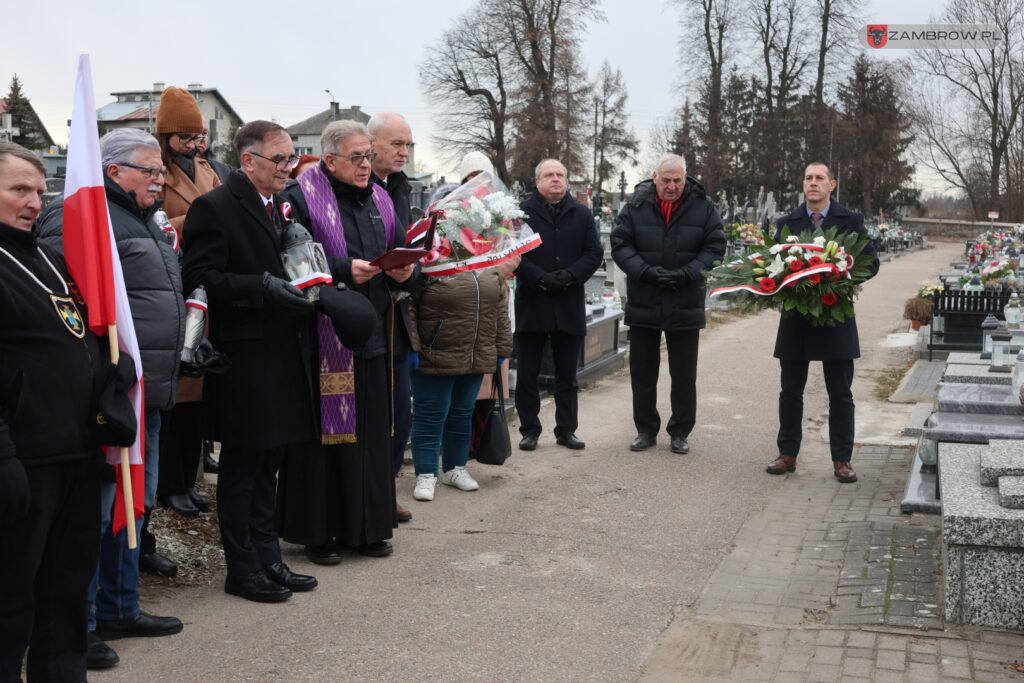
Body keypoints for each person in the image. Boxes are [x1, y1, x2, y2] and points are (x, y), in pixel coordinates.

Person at [38, 129, 186, 664]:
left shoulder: (148, 221)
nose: (160, 179)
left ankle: (122, 606)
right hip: (108, 393)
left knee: (134, 505)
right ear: (114, 170)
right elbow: (68, 303)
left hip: (150, 390)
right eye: (150, 170)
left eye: (161, 171)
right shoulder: (78, 215)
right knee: (96, 513)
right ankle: (83, 622)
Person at [0, 141, 136, 679]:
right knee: (10, 600)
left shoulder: (49, 258)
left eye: (39, 190)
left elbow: (77, 337)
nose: (34, 202)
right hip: (21, 462)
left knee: (64, 596)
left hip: (76, 454)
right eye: (17, 189)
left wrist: (112, 371)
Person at [182, 120, 319, 603]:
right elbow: (200, 278)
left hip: (282, 351)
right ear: (248, 161)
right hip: (244, 358)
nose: (289, 168)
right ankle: (241, 568)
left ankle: (268, 558)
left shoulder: (278, 205)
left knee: (271, 463)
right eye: (280, 160)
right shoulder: (214, 207)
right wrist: (259, 286)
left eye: (292, 160)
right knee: (243, 467)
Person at [277, 119, 412, 565]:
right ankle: (320, 533)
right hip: (322, 338)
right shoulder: (300, 197)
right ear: (329, 159)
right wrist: (341, 269)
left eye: (368, 156)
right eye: (356, 158)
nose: (365, 166)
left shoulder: (380, 199)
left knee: (370, 435)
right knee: (324, 442)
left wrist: (405, 269)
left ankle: (367, 528)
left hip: (371, 333)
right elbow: (291, 263)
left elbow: (395, 247)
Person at [766, 162, 879, 483]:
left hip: (836, 314)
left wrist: (842, 279)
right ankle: (787, 454)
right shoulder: (788, 223)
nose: (813, 183)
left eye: (819, 179)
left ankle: (842, 460)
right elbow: (773, 264)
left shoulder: (851, 221)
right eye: (808, 178)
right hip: (796, 318)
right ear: (803, 185)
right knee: (790, 391)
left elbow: (871, 262)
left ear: (832, 185)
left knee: (840, 393)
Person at [611, 153, 726, 455]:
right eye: (666, 180)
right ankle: (646, 430)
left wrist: (687, 274)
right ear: (655, 177)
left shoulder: (703, 206)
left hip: (684, 299)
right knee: (643, 373)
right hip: (645, 299)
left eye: (677, 180)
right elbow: (621, 244)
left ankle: (680, 431)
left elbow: (715, 245)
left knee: (684, 374)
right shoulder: (636, 205)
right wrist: (645, 273)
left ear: (685, 178)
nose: (672, 186)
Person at [154, 86, 221, 519]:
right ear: (167, 136)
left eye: (197, 136)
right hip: (176, 287)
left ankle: (190, 479)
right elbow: (155, 224)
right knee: (178, 399)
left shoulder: (206, 168)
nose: (194, 144)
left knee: (200, 397)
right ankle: (169, 485)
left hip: (207, 286)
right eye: (185, 137)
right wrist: (197, 218)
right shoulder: (157, 172)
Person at [514, 159, 603, 451]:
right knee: (528, 372)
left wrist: (568, 277)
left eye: (560, 175)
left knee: (567, 373)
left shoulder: (581, 214)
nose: (556, 180)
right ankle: (529, 429)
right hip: (532, 301)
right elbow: (512, 251)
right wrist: (539, 278)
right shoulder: (521, 214)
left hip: (568, 302)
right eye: (549, 175)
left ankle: (566, 429)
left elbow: (593, 253)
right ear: (537, 181)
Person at [408, 264, 513, 502]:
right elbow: (409, 305)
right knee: (430, 414)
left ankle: (454, 468)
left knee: (462, 413)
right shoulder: (432, 259)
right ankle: (426, 472)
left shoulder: (487, 263)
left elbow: (499, 310)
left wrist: (502, 346)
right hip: (435, 352)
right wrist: (412, 345)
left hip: (475, 353)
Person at [369, 111, 416, 524]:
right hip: (364, 314)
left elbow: (405, 242)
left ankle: (385, 488)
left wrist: (411, 267)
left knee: (400, 414)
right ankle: (368, 495)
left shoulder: (401, 188)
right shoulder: (357, 186)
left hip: (397, 316)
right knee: (372, 415)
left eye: (408, 145)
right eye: (396, 144)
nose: (404, 152)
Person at [197, 115, 234, 183]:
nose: (202, 139)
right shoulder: (174, 170)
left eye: (204, 133)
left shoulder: (225, 170)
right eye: (197, 132)